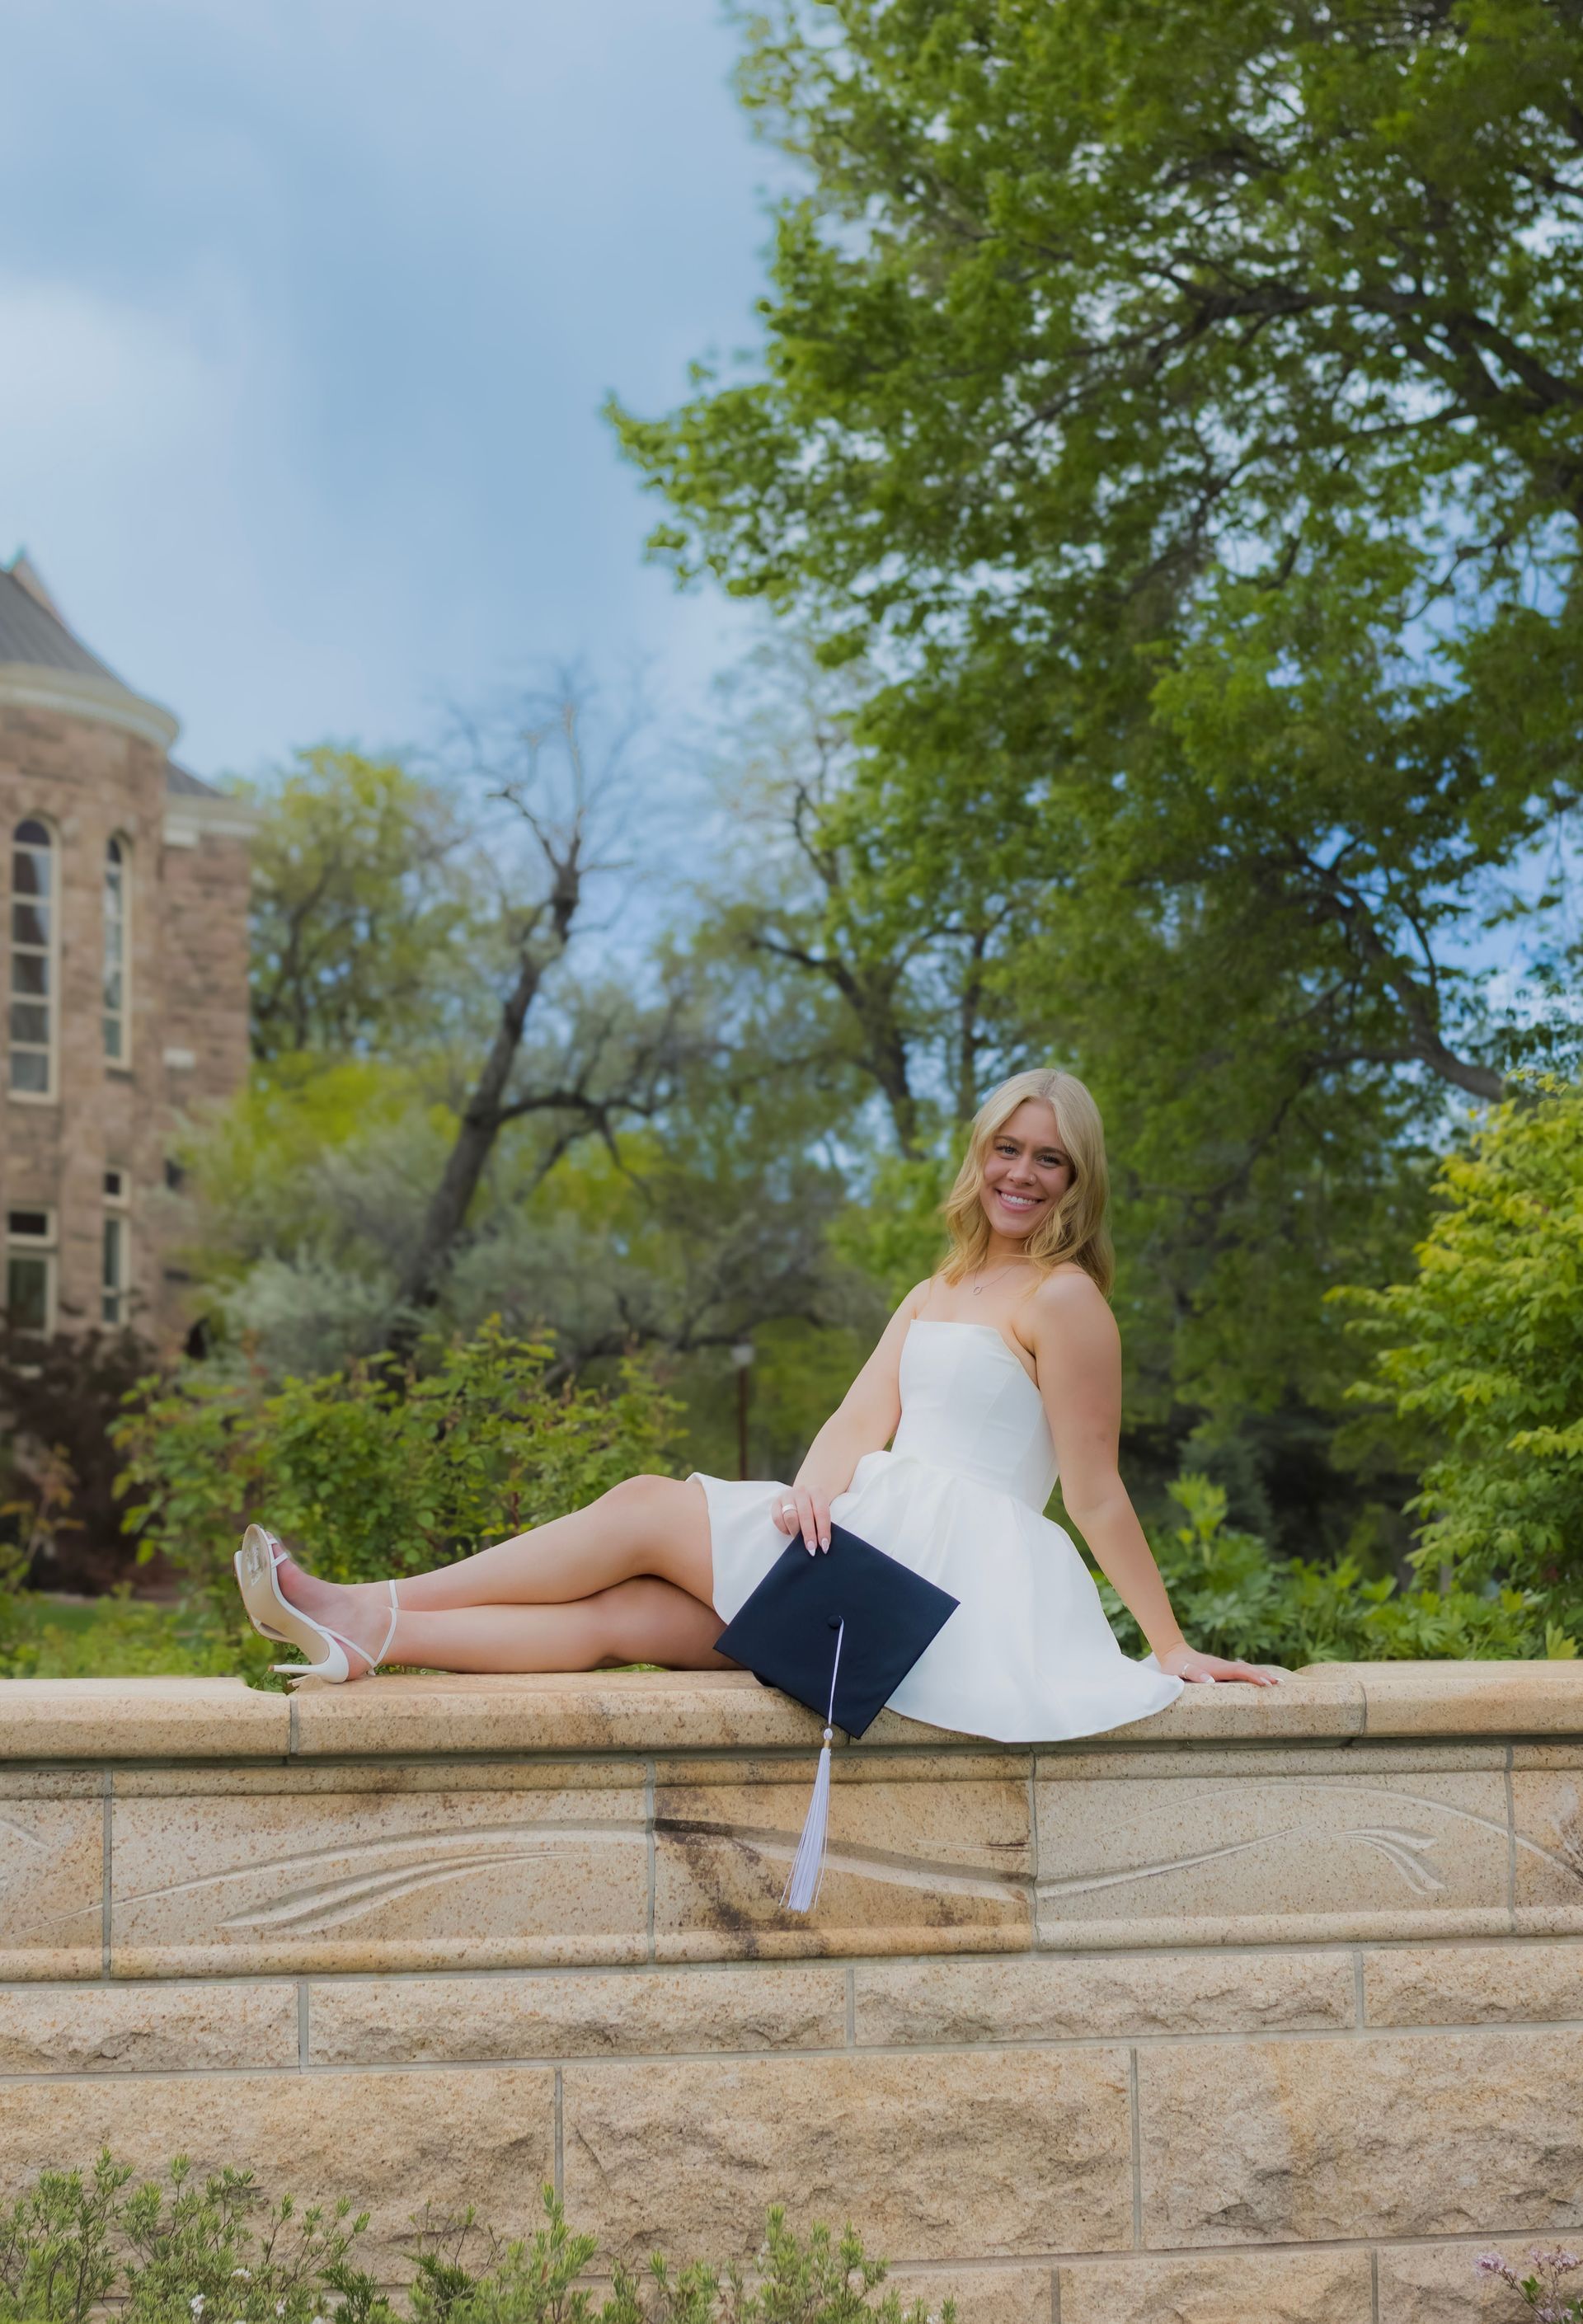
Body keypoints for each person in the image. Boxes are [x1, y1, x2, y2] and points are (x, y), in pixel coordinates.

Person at [235, 1067, 1279, 1735]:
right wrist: (810, 1494)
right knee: (628, 1615)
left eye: (1049, 1158)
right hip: (869, 1531)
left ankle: (365, 1596)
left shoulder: (1068, 1300)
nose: (1022, 1173)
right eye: (1007, 1147)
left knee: (648, 1503)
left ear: (1076, 1180)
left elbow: (1094, 1491)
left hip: (949, 1585)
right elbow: (853, 1423)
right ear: (980, 1155)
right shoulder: (939, 1289)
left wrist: (1171, 1644)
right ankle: (373, 1636)